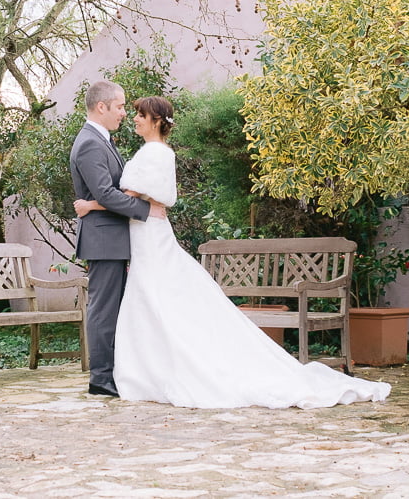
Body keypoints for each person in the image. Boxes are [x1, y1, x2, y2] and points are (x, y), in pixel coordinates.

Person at [74, 96, 391, 409]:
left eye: (140, 114)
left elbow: (124, 195)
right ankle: (150, 370)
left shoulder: (155, 153)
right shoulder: (148, 151)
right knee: (153, 303)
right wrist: (131, 204)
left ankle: (162, 370)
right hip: (144, 237)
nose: (133, 117)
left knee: (159, 301)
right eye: (129, 111)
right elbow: (130, 195)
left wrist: (91, 204)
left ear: (156, 120)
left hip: (150, 236)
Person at [70, 80, 166, 397]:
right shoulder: (89, 143)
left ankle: (116, 372)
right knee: (103, 310)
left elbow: (110, 193)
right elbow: (106, 194)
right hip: (103, 239)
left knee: (114, 310)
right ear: (102, 107)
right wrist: (146, 209)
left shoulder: (102, 141)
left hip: (113, 237)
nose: (124, 113)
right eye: (121, 106)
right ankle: (100, 379)